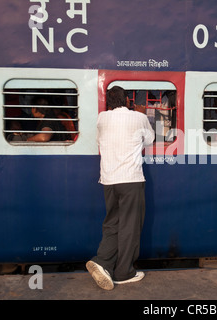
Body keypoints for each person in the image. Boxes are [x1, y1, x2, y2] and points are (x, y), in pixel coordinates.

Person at [86, 86, 154, 291]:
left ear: (108, 102)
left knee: (112, 223)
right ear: (127, 100)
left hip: (108, 180)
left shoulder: (102, 118)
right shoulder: (138, 118)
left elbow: (99, 140)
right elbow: (149, 140)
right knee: (130, 227)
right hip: (131, 179)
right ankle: (124, 272)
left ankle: (102, 261)